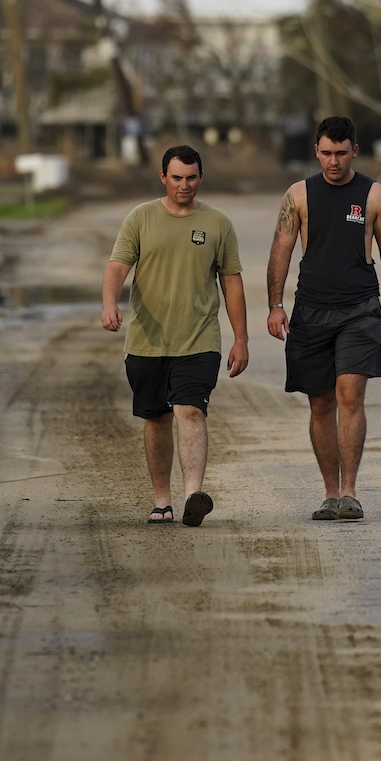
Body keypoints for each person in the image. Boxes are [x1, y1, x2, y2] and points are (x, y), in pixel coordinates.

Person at [266, 116, 381, 521]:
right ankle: (330, 494)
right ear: (316, 151)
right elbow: (281, 250)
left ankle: (350, 492)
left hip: (360, 309)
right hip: (311, 311)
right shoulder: (298, 195)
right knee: (320, 403)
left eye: (341, 153)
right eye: (327, 153)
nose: (334, 161)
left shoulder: (374, 195)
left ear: (354, 151)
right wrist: (275, 305)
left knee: (350, 395)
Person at [101, 144, 249, 526]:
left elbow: (232, 284)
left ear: (201, 177)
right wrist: (109, 304)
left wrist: (241, 339)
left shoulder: (218, 223)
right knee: (156, 419)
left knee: (190, 410)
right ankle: (162, 500)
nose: (185, 185)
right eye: (177, 178)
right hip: (147, 341)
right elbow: (117, 267)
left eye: (192, 178)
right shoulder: (140, 218)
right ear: (164, 177)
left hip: (199, 339)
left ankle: (192, 496)